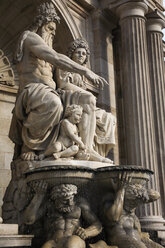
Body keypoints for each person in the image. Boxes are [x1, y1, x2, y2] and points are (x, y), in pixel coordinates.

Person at [9, 1, 108, 162]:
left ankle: (86, 150)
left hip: (52, 91)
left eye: (54, 32)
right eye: (50, 29)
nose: (53, 34)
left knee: (88, 100)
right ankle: (30, 147)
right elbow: (55, 57)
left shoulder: (44, 45)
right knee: (53, 103)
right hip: (33, 90)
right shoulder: (30, 37)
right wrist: (85, 70)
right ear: (41, 23)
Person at [56, 38, 116, 160]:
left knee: (109, 118)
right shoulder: (64, 65)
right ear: (71, 53)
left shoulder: (82, 74)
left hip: (80, 100)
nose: (81, 55)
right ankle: (86, 150)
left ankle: (91, 149)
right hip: (67, 96)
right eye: (78, 52)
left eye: (84, 54)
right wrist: (86, 94)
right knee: (89, 99)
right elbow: (63, 84)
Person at [23, 182, 102, 248]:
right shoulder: (49, 205)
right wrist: (39, 196)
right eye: (65, 201)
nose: (70, 203)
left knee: (71, 244)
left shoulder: (79, 204)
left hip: (74, 240)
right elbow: (28, 220)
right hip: (53, 242)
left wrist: (87, 232)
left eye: (71, 199)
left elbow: (98, 225)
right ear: (55, 198)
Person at [100, 173, 163, 248]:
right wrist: (120, 190)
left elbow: (156, 195)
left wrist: (145, 238)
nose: (140, 200)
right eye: (136, 198)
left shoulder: (133, 216)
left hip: (138, 243)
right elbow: (114, 217)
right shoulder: (111, 207)